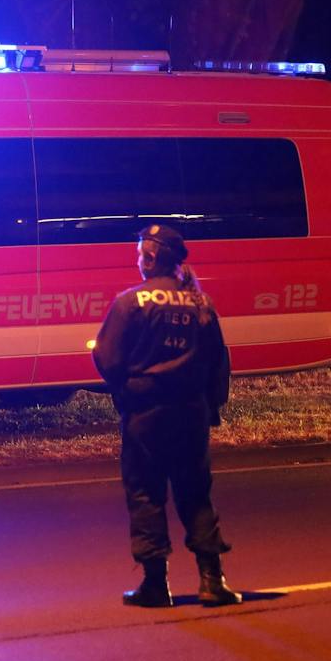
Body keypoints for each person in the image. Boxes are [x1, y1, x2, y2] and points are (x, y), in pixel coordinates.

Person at [91, 223, 242, 608]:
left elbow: (107, 358)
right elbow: (217, 363)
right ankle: (213, 581)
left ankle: (156, 585)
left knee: (145, 492)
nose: (138, 260)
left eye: (140, 253)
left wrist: (125, 393)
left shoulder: (130, 303)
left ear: (152, 257)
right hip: (190, 413)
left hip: (146, 415)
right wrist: (211, 408)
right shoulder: (201, 303)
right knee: (195, 494)